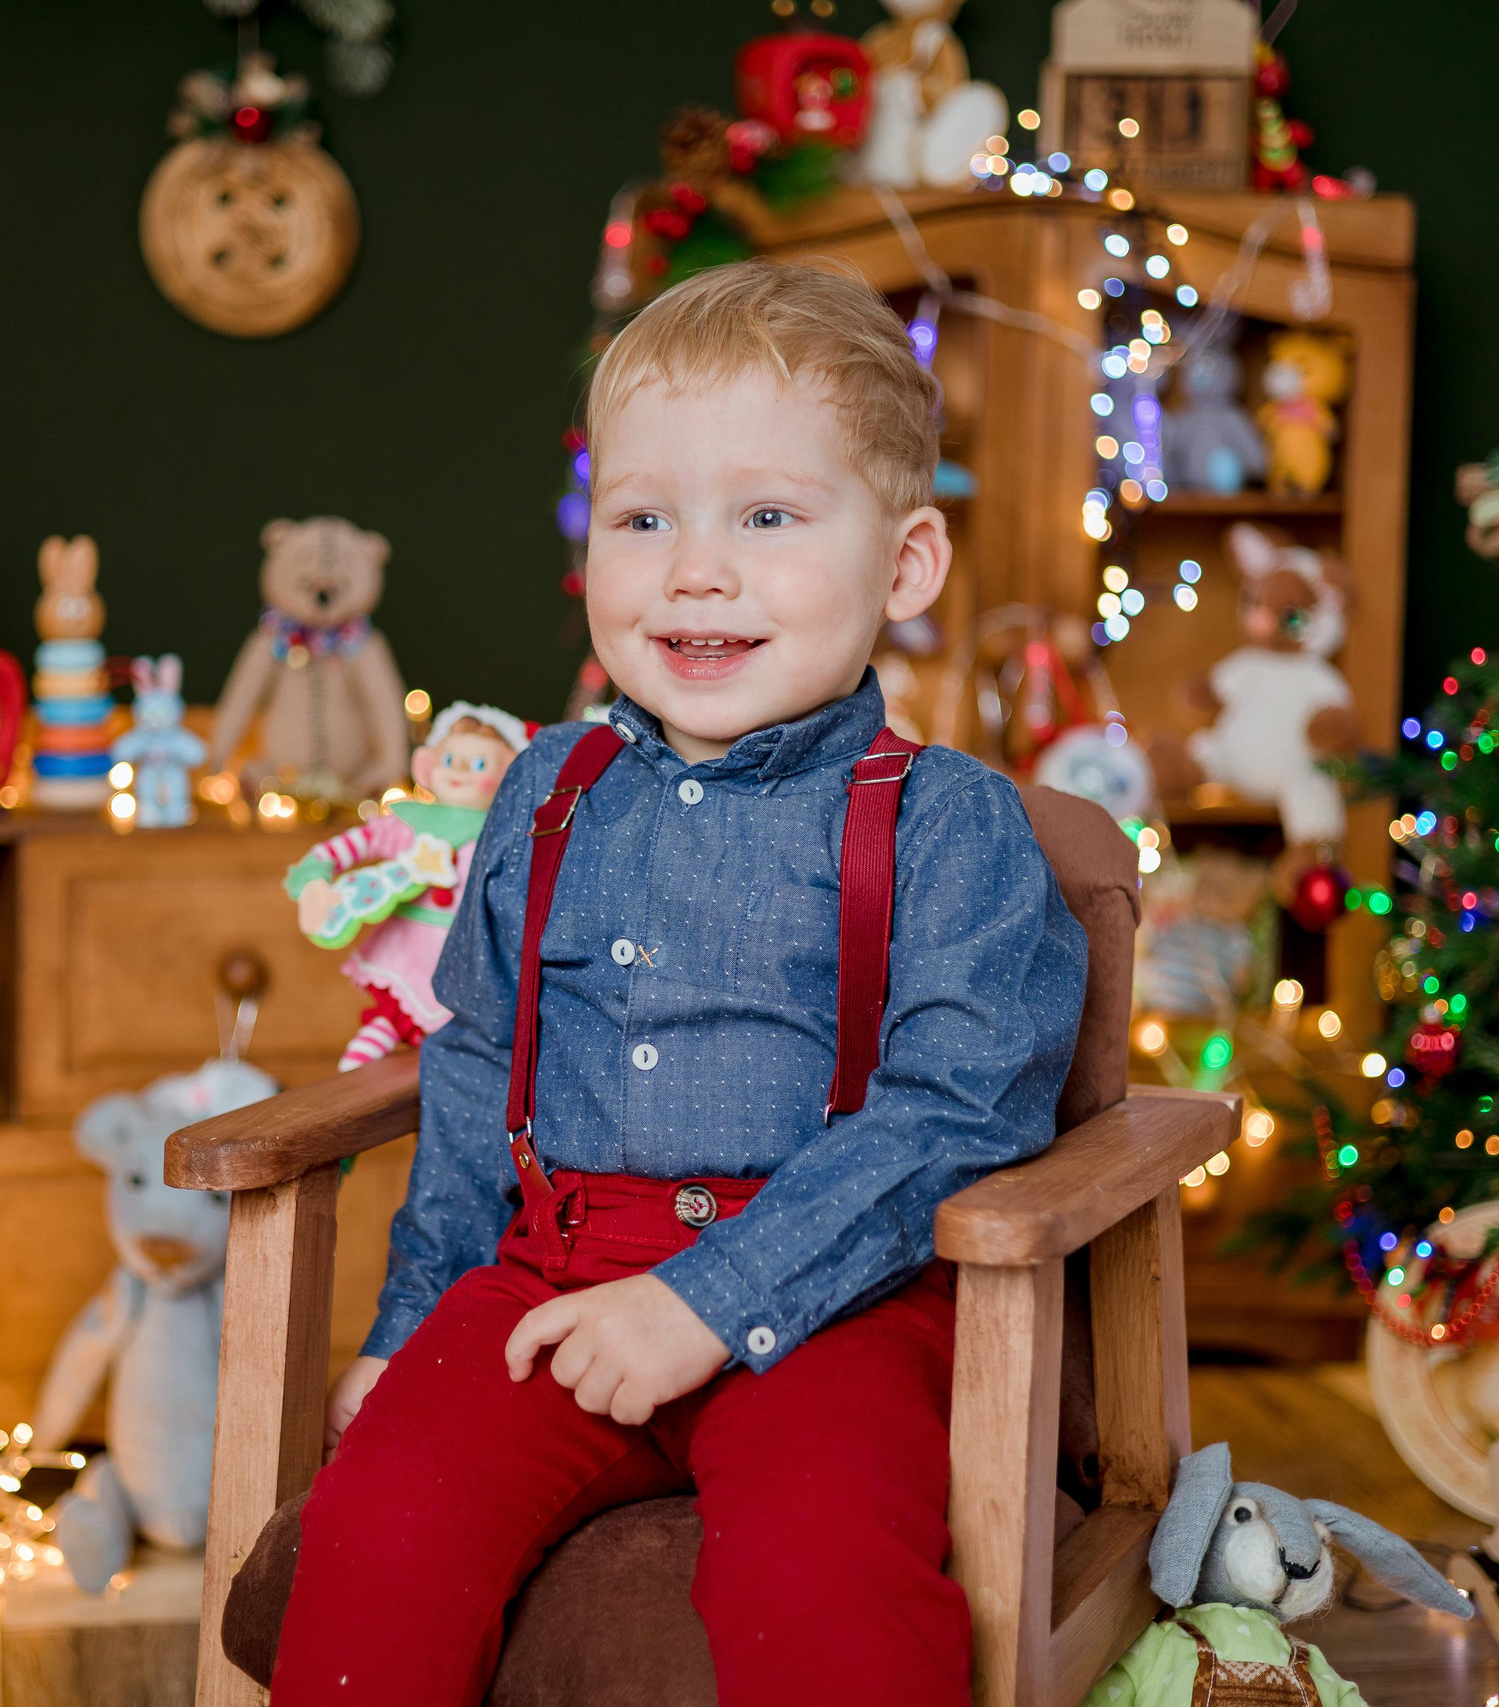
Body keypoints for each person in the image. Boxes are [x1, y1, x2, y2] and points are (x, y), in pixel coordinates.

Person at [273, 259, 1089, 1706]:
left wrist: (708, 1300)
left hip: (835, 1299)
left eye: (767, 519)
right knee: (377, 1540)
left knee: (824, 1589)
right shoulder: (550, 789)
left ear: (904, 566)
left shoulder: (949, 825)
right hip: (551, 1274)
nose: (695, 569)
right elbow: (475, 1061)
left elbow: (957, 1114)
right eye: (644, 518)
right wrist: (409, 1325)